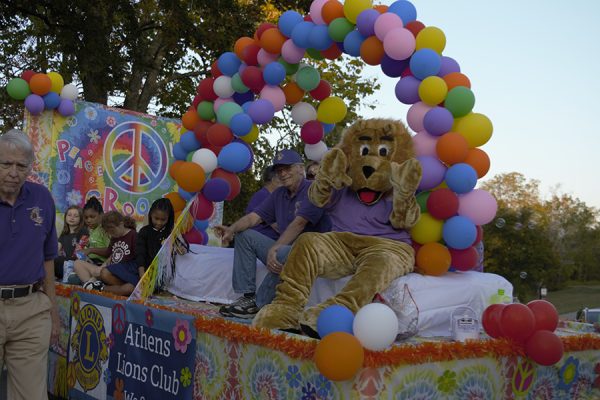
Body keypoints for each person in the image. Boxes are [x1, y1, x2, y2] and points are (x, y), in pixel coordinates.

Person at [214, 149, 331, 319]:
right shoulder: (278, 194)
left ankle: (259, 304)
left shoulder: (314, 189)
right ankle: (247, 298)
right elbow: (254, 217)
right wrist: (232, 229)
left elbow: (299, 223)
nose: (283, 174)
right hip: (289, 251)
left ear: (300, 168)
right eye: (279, 170)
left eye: (287, 168)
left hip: (313, 254)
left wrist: (275, 248)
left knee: (282, 252)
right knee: (245, 235)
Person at [0, 129, 59, 399]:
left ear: (30, 168)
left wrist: (53, 314)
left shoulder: (42, 199)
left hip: (31, 309)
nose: (13, 172)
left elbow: (48, 260)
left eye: (21, 165)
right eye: (6, 164)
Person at [74, 211, 138, 295]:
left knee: (127, 287)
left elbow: (138, 259)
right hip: (109, 271)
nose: (112, 234)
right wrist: (100, 267)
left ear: (121, 224)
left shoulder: (133, 235)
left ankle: (99, 287)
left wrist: (102, 269)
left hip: (124, 274)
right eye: (109, 233)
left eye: (113, 231)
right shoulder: (115, 237)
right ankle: (91, 284)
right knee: (78, 263)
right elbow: (111, 255)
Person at [136, 198, 175, 279]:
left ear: (169, 218)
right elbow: (140, 253)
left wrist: (181, 249)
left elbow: (178, 249)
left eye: (163, 220)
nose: (159, 222)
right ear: (150, 215)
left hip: (163, 273)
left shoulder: (171, 233)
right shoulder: (144, 231)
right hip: (144, 270)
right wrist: (142, 275)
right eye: (156, 218)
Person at [245, 166, 281, 240]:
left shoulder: (263, 195)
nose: (285, 181)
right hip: (263, 241)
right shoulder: (264, 197)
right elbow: (279, 227)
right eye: (281, 178)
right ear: (274, 180)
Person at [54, 205, 88, 280]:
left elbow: (79, 253)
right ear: (65, 217)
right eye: (69, 215)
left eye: (76, 216)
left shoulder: (83, 231)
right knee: (50, 259)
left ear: (81, 219)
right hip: (65, 263)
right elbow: (56, 249)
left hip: (76, 263)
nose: (72, 218)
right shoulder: (64, 233)